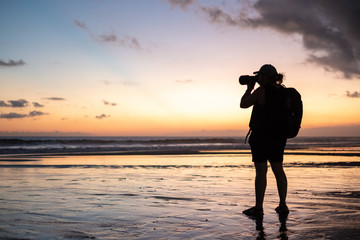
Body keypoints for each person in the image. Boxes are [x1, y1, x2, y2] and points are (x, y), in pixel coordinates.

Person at [240, 64, 289, 218]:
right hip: (278, 137)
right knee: (278, 170)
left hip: (261, 136)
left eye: (260, 76)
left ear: (266, 77)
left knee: (261, 172)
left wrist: (249, 88)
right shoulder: (283, 91)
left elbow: (243, 104)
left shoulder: (262, 90)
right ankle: (282, 205)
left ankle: (258, 208)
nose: (258, 78)